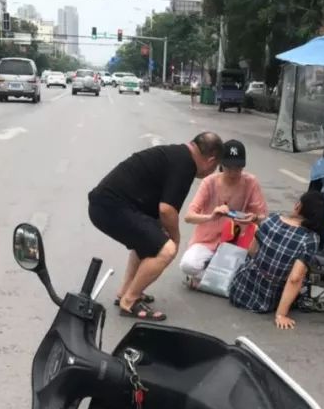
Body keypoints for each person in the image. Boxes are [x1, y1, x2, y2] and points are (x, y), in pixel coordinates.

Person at [88, 132, 223, 321]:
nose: (212, 171)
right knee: (166, 250)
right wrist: (175, 238)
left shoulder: (177, 154)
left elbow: (161, 212)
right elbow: (167, 210)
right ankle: (130, 301)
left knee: (150, 241)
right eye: (216, 167)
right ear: (210, 160)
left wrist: (162, 231)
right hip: (111, 208)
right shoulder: (186, 165)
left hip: (105, 204)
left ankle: (125, 292)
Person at [229, 191, 324, 331]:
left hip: (240, 288)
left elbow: (251, 251)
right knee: (305, 280)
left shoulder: (272, 219)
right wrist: (281, 315)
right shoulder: (310, 239)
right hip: (266, 298)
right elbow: (295, 279)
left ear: (298, 206)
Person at [181, 139, 268, 287]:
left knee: (258, 267)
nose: (234, 173)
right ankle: (220, 278)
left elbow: (263, 217)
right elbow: (189, 217)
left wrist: (253, 218)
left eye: (238, 168)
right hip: (207, 241)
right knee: (188, 265)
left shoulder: (250, 182)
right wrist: (211, 216)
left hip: (237, 242)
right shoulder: (209, 182)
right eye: (229, 168)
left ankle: (208, 279)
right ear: (221, 164)